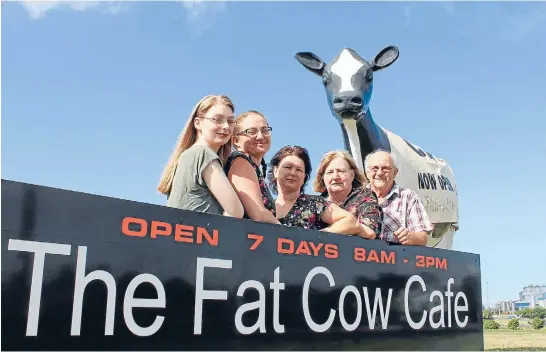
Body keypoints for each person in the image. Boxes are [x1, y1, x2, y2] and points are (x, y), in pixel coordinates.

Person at [157, 94, 244, 218]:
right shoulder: (202, 154)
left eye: (230, 121)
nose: (226, 126)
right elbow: (235, 211)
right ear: (198, 123)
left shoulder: (188, 156)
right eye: (217, 119)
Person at [267, 145, 361, 235]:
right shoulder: (264, 207)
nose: (293, 173)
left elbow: (351, 222)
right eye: (288, 167)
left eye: (299, 170)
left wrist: (316, 237)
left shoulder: (315, 203)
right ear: (275, 171)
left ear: (304, 177)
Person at [364, 149, 432, 246]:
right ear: (367, 172)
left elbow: (423, 238)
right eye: (374, 168)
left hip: (396, 258)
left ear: (395, 172)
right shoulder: (357, 197)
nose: (379, 173)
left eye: (385, 168)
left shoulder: (408, 196)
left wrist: (411, 237)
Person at [224, 110, 280, 224]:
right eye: (251, 131)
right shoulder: (240, 161)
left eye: (265, 130)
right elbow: (258, 213)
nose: (260, 136)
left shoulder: (253, 167)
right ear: (236, 140)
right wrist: (289, 235)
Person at [313, 150, 383, 240]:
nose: (335, 177)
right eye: (330, 172)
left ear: (352, 175)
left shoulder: (364, 196)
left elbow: (370, 231)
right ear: (323, 177)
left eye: (341, 171)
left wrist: (320, 236)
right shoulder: (316, 203)